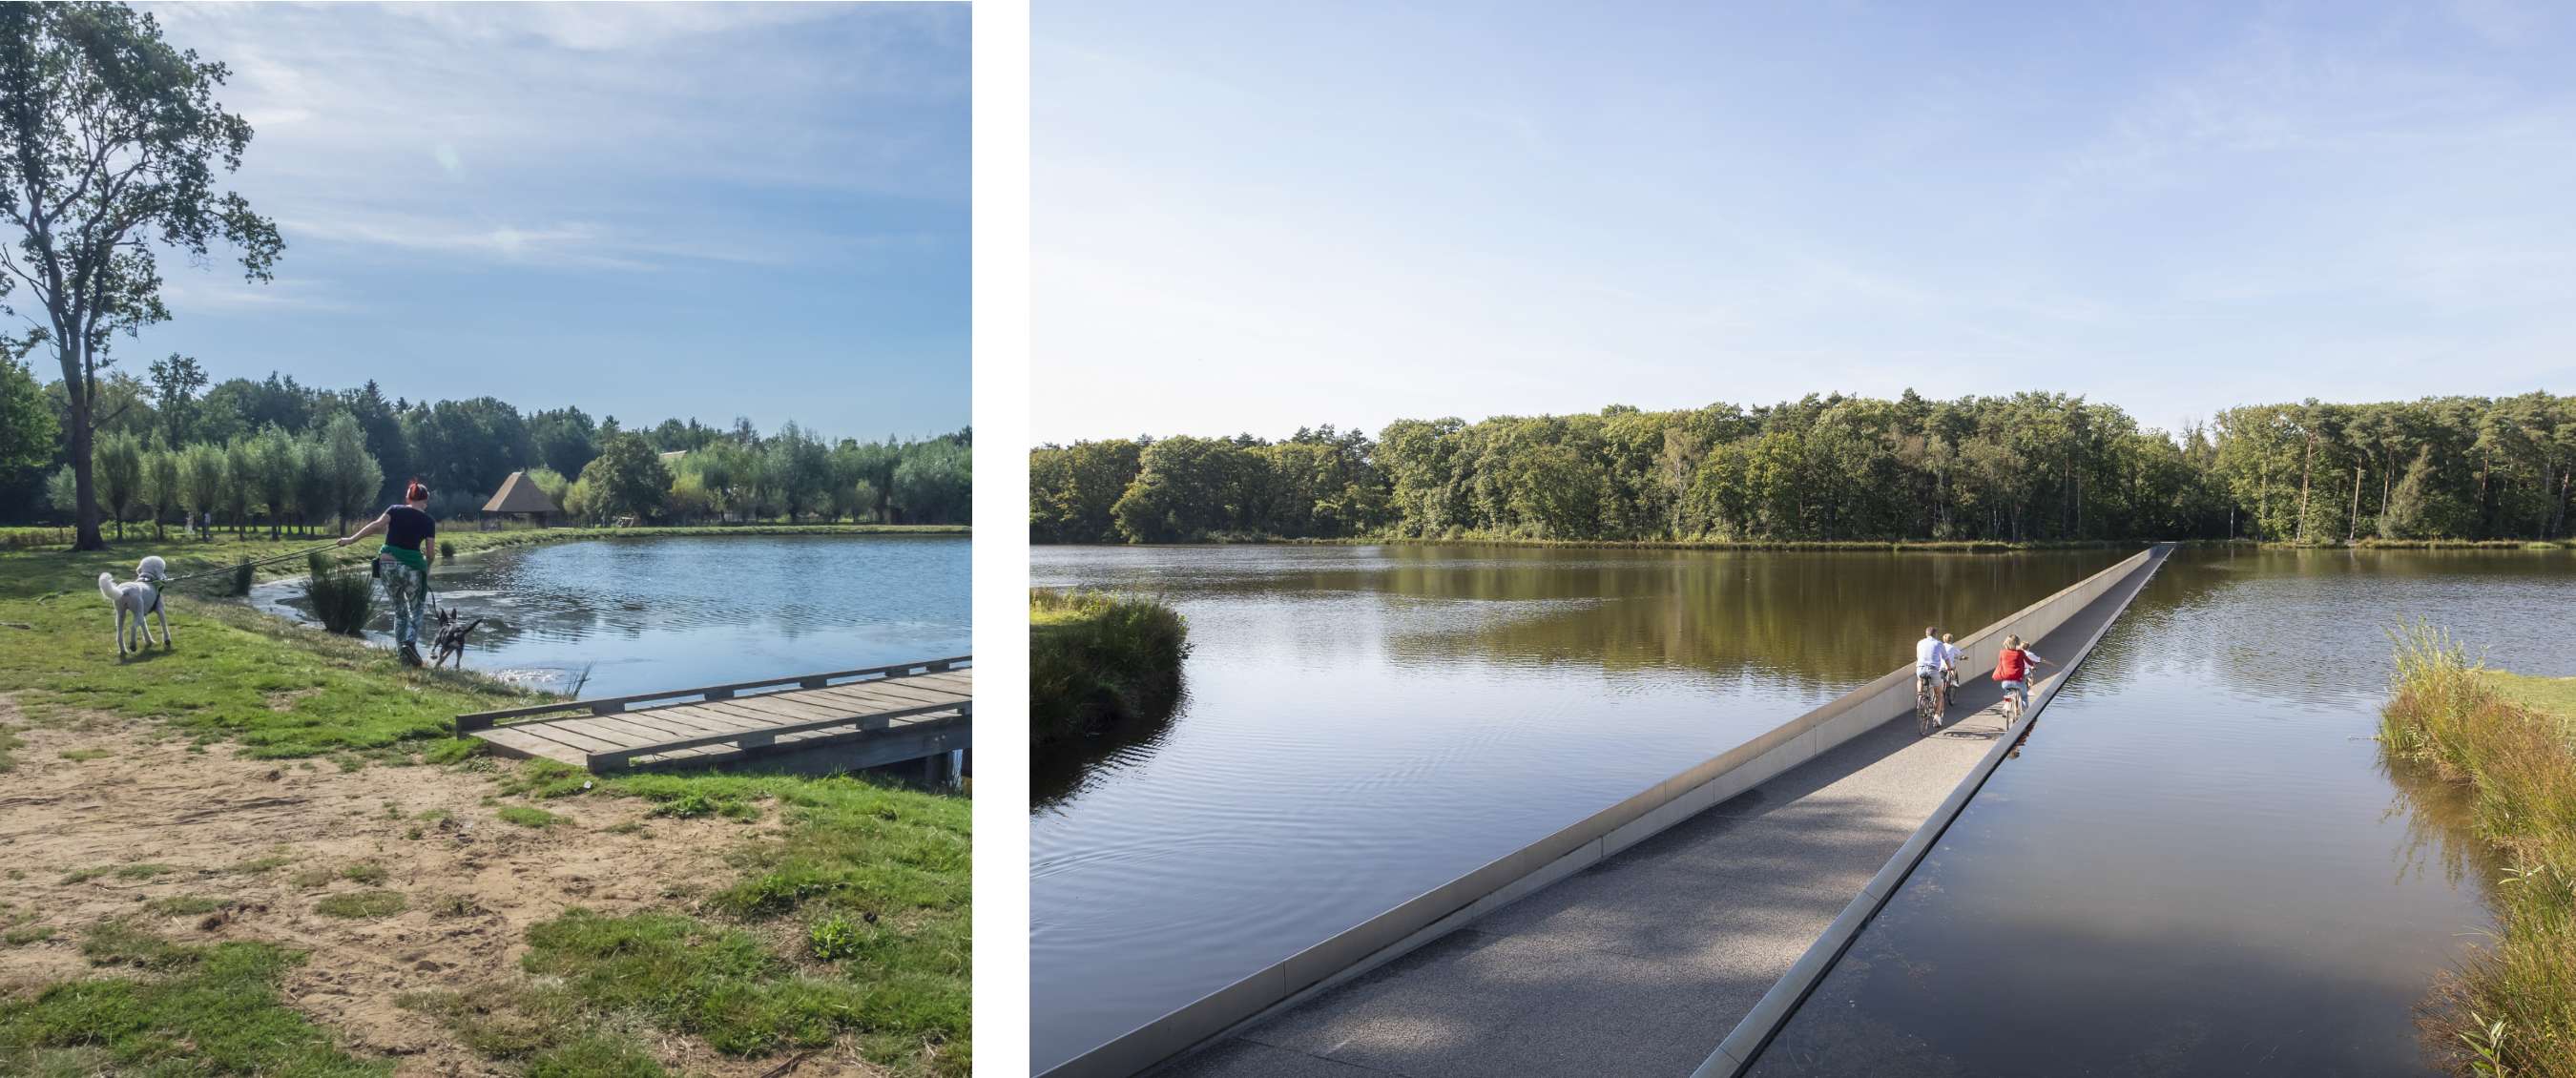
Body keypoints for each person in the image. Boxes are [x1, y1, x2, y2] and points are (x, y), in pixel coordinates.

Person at [339, 481, 438, 667]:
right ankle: (409, 642)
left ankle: (402, 656)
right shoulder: (428, 521)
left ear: (408, 498)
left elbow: (376, 525)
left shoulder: (394, 510)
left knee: (400, 611)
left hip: (387, 564)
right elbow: (430, 553)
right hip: (412, 568)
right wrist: (427, 568)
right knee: (416, 608)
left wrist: (350, 540)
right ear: (426, 501)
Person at [1994, 633, 2054, 717]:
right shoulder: (2020, 653)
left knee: (2007, 692)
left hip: (2005, 682)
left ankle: (2007, 706)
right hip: (2017, 681)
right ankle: (2026, 716)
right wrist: (2033, 666)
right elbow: (2028, 661)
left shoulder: (2002, 653)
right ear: (2017, 643)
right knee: (2024, 696)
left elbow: (2001, 664)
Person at [1914, 627, 1951, 725]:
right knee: (1939, 695)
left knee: (1919, 679)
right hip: (1933, 670)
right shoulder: (1939, 643)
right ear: (1935, 634)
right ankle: (1937, 717)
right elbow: (1946, 658)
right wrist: (1950, 668)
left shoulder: (1920, 643)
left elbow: (1918, 657)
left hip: (1920, 668)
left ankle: (1920, 696)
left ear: (1926, 634)